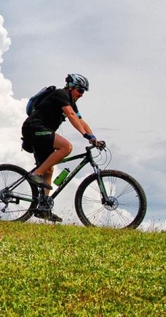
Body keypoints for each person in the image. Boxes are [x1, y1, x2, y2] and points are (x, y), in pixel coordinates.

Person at [22, 73, 103, 222]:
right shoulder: (60, 94)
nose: (82, 94)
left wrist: (94, 138)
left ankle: (44, 208)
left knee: (49, 169)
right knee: (66, 147)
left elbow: (80, 120)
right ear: (71, 87)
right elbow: (71, 115)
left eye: (84, 92)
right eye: (80, 90)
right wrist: (85, 135)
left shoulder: (71, 102)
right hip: (34, 128)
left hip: (41, 131)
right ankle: (36, 174)